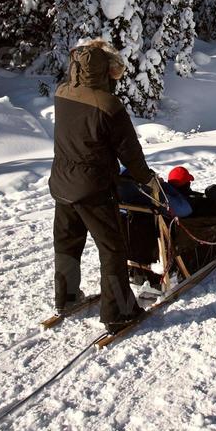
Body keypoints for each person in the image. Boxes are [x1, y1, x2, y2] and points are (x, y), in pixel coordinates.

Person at [49, 38, 158, 333]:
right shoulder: (108, 104)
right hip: (93, 188)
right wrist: (147, 179)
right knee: (112, 248)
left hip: (61, 183)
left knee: (67, 243)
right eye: (115, 74)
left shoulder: (62, 92)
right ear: (105, 70)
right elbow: (130, 153)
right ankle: (119, 312)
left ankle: (66, 297)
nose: (117, 80)